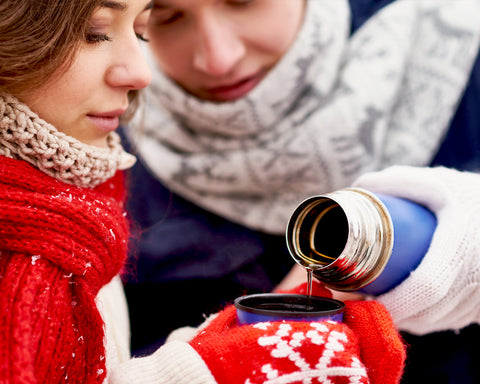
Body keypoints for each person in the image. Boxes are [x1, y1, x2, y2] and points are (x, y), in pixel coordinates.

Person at [0, 0, 406, 383]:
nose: (143, 74)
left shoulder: (83, 182)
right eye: (94, 32)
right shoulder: (83, 185)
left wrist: (218, 343)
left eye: (140, 31)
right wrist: (208, 370)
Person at [121, 0, 480, 382]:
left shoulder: (455, 54)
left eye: (243, 1)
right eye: (167, 16)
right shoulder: (107, 135)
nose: (218, 59)